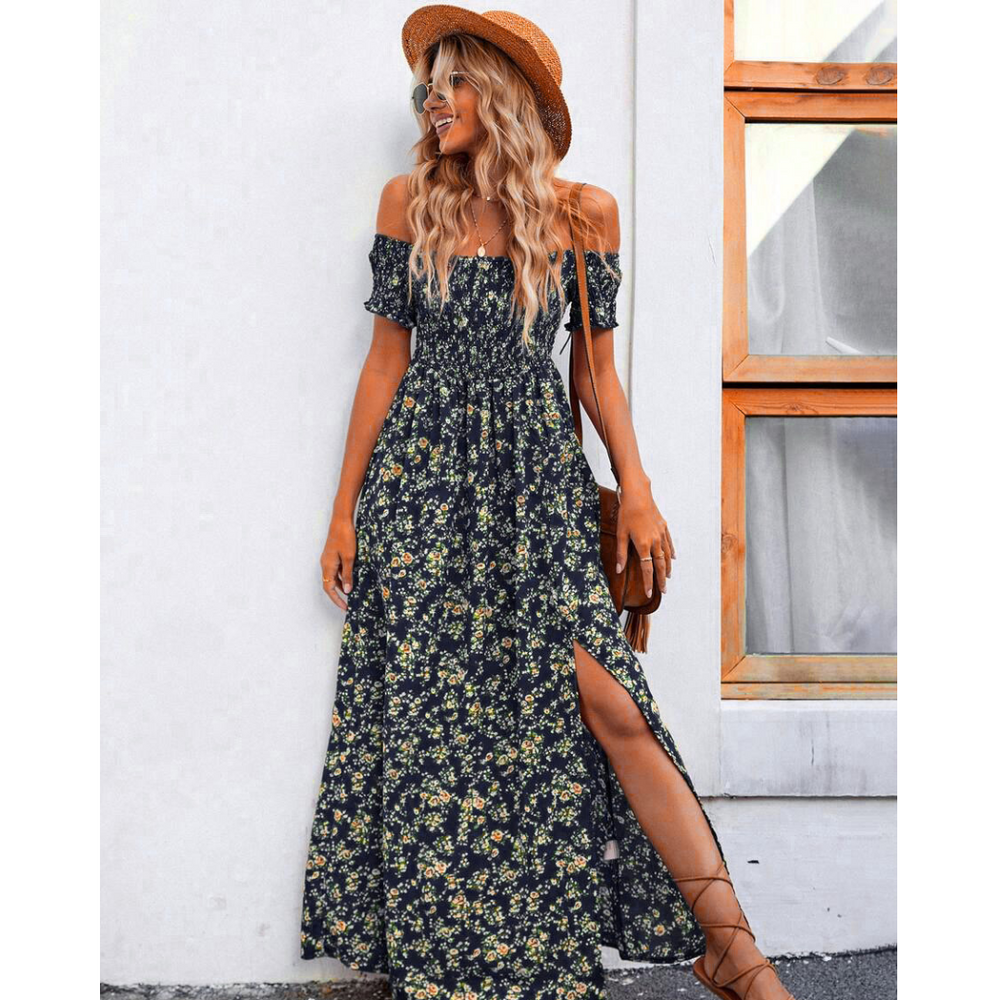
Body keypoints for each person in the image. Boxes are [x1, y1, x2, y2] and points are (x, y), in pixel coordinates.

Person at [300, 7, 796, 1000]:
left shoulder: (582, 214)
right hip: (423, 495)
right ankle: (451, 963)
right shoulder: (410, 202)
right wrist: (346, 511)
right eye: (428, 85)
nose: (433, 100)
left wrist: (638, 490)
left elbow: (597, 376)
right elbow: (385, 363)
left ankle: (732, 951)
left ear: (504, 95)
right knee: (436, 733)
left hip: (539, 498)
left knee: (611, 703)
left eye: (454, 81)